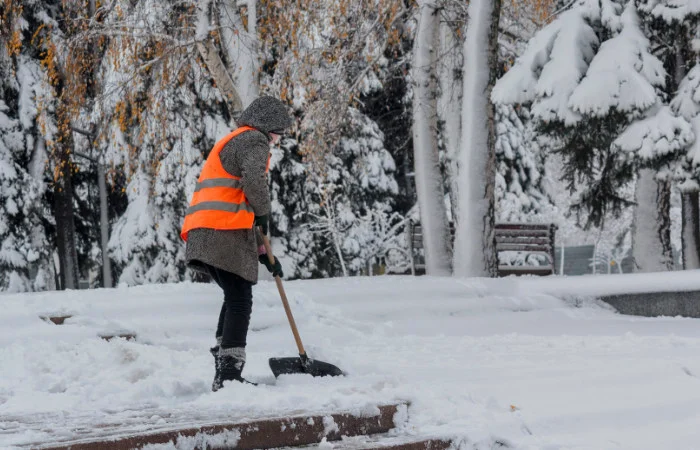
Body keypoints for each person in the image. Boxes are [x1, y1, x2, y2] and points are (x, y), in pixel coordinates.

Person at [180, 96, 293, 390]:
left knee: (234, 295)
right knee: (240, 297)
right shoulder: (254, 141)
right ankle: (229, 374)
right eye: (279, 132)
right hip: (220, 233)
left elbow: (237, 202)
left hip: (206, 231)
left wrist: (262, 251)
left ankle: (224, 370)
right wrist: (265, 214)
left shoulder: (233, 140)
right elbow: (254, 183)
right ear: (269, 126)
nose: (278, 139)